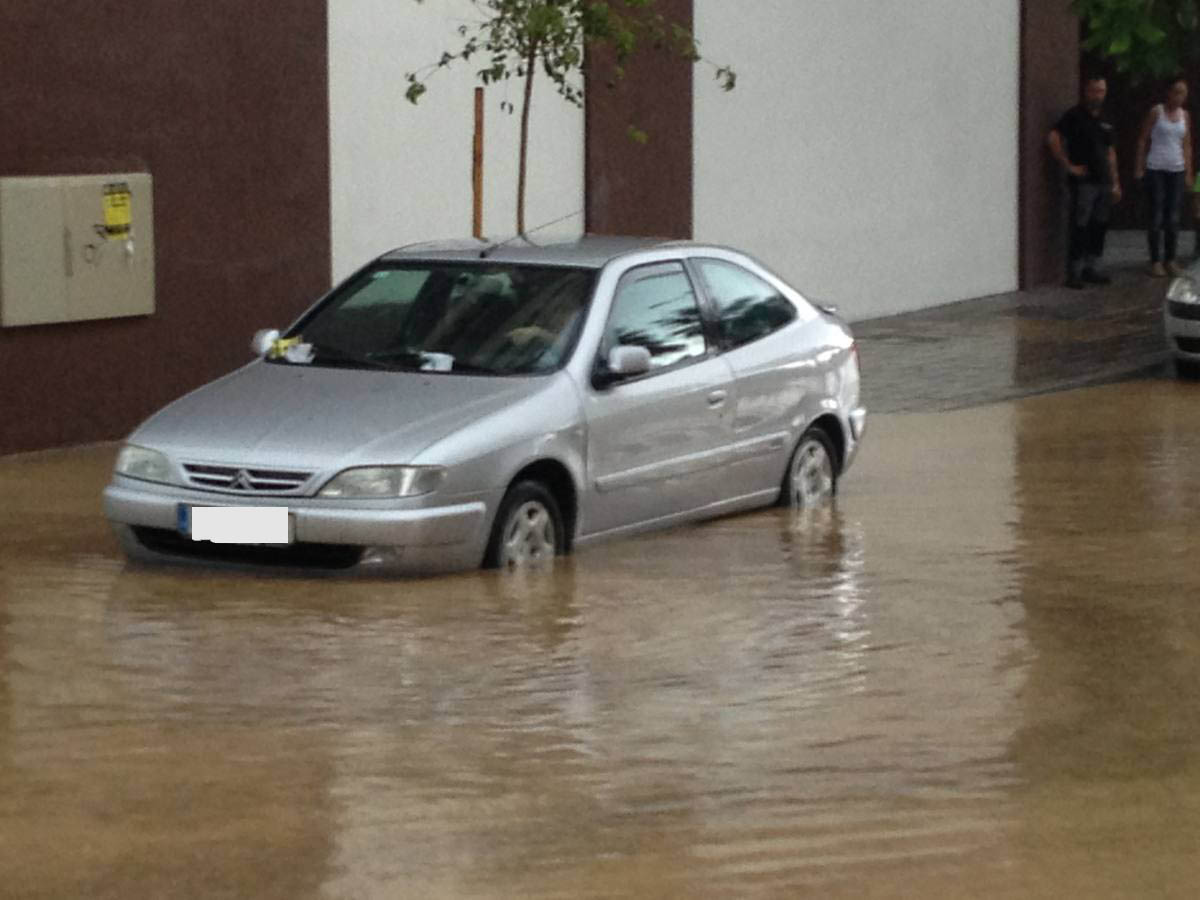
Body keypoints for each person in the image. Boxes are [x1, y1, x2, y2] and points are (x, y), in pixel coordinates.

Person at [1048, 75, 1123, 289]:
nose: (1098, 95)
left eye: (1102, 91)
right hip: (1084, 181)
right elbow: (1053, 138)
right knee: (1080, 224)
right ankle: (1074, 271)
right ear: (1086, 91)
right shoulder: (1074, 116)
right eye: (1094, 91)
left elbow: (1110, 152)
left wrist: (1116, 181)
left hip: (1104, 181)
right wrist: (1068, 165)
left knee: (1099, 224)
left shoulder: (1107, 119)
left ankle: (1092, 267)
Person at [1134, 77, 1194, 277]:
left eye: (1183, 93)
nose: (1179, 97)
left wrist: (1188, 172)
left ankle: (1171, 258)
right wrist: (1139, 167)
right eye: (1176, 92)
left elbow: (1187, 146)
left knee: (1173, 217)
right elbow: (1143, 139)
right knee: (1156, 215)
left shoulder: (1185, 115)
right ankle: (1155, 260)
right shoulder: (1156, 112)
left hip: (1176, 169)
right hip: (1156, 168)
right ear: (1168, 92)